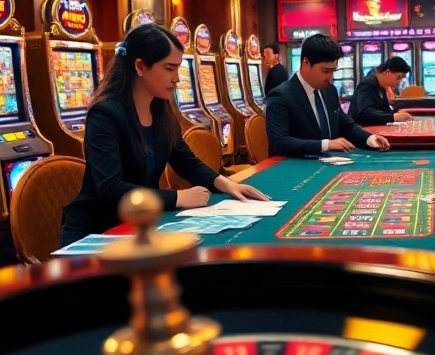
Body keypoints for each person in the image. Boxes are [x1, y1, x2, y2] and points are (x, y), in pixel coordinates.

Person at [60, 25, 268, 245]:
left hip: (139, 225)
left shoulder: (160, 110)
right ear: (140, 66)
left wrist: (227, 185)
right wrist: (178, 197)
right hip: (98, 231)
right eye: (169, 68)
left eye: (178, 69)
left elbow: (187, 162)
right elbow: (111, 189)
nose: (177, 79)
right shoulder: (105, 114)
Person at [266, 34, 392, 157]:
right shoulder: (280, 95)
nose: (330, 78)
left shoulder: (329, 90)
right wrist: (325, 145)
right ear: (306, 62)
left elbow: (345, 125)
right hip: (296, 168)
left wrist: (369, 138)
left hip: (329, 164)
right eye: (325, 71)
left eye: (333, 71)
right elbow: (278, 142)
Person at [351, 56, 413, 125]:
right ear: (387, 72)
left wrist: (396, 113)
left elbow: (384, 111)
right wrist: (393, 117)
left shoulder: (381, 86)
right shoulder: (367, 85)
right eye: (398, 77)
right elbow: (365, 112)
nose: (399, 81)